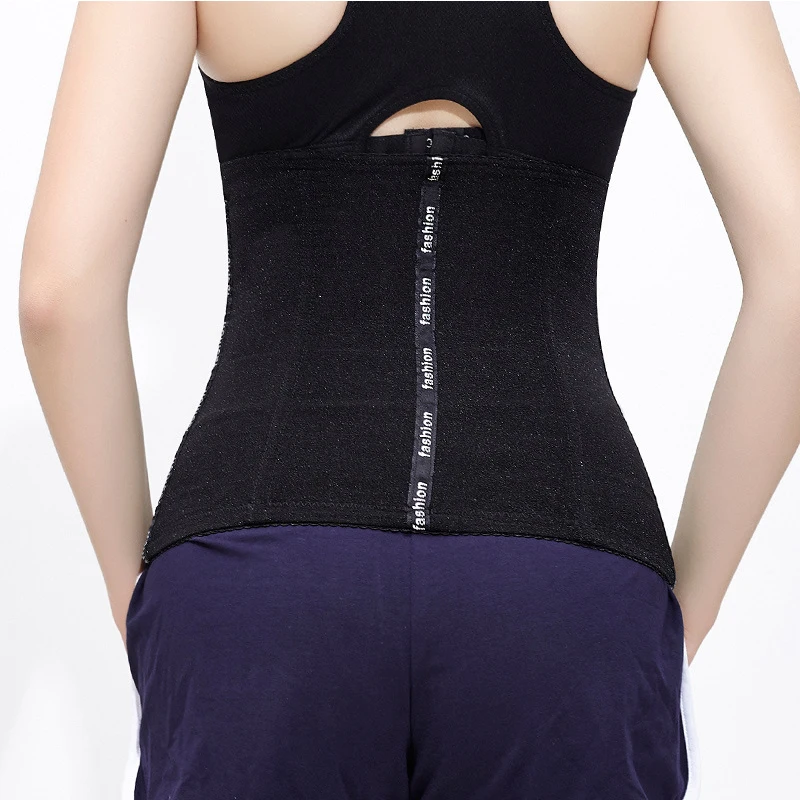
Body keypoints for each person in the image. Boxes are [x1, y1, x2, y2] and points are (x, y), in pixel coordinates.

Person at [18, 2, 800, 798]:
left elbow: (58, 299)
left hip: (254, 590)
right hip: (567, 591)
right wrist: (683, 612)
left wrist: (135, 594)